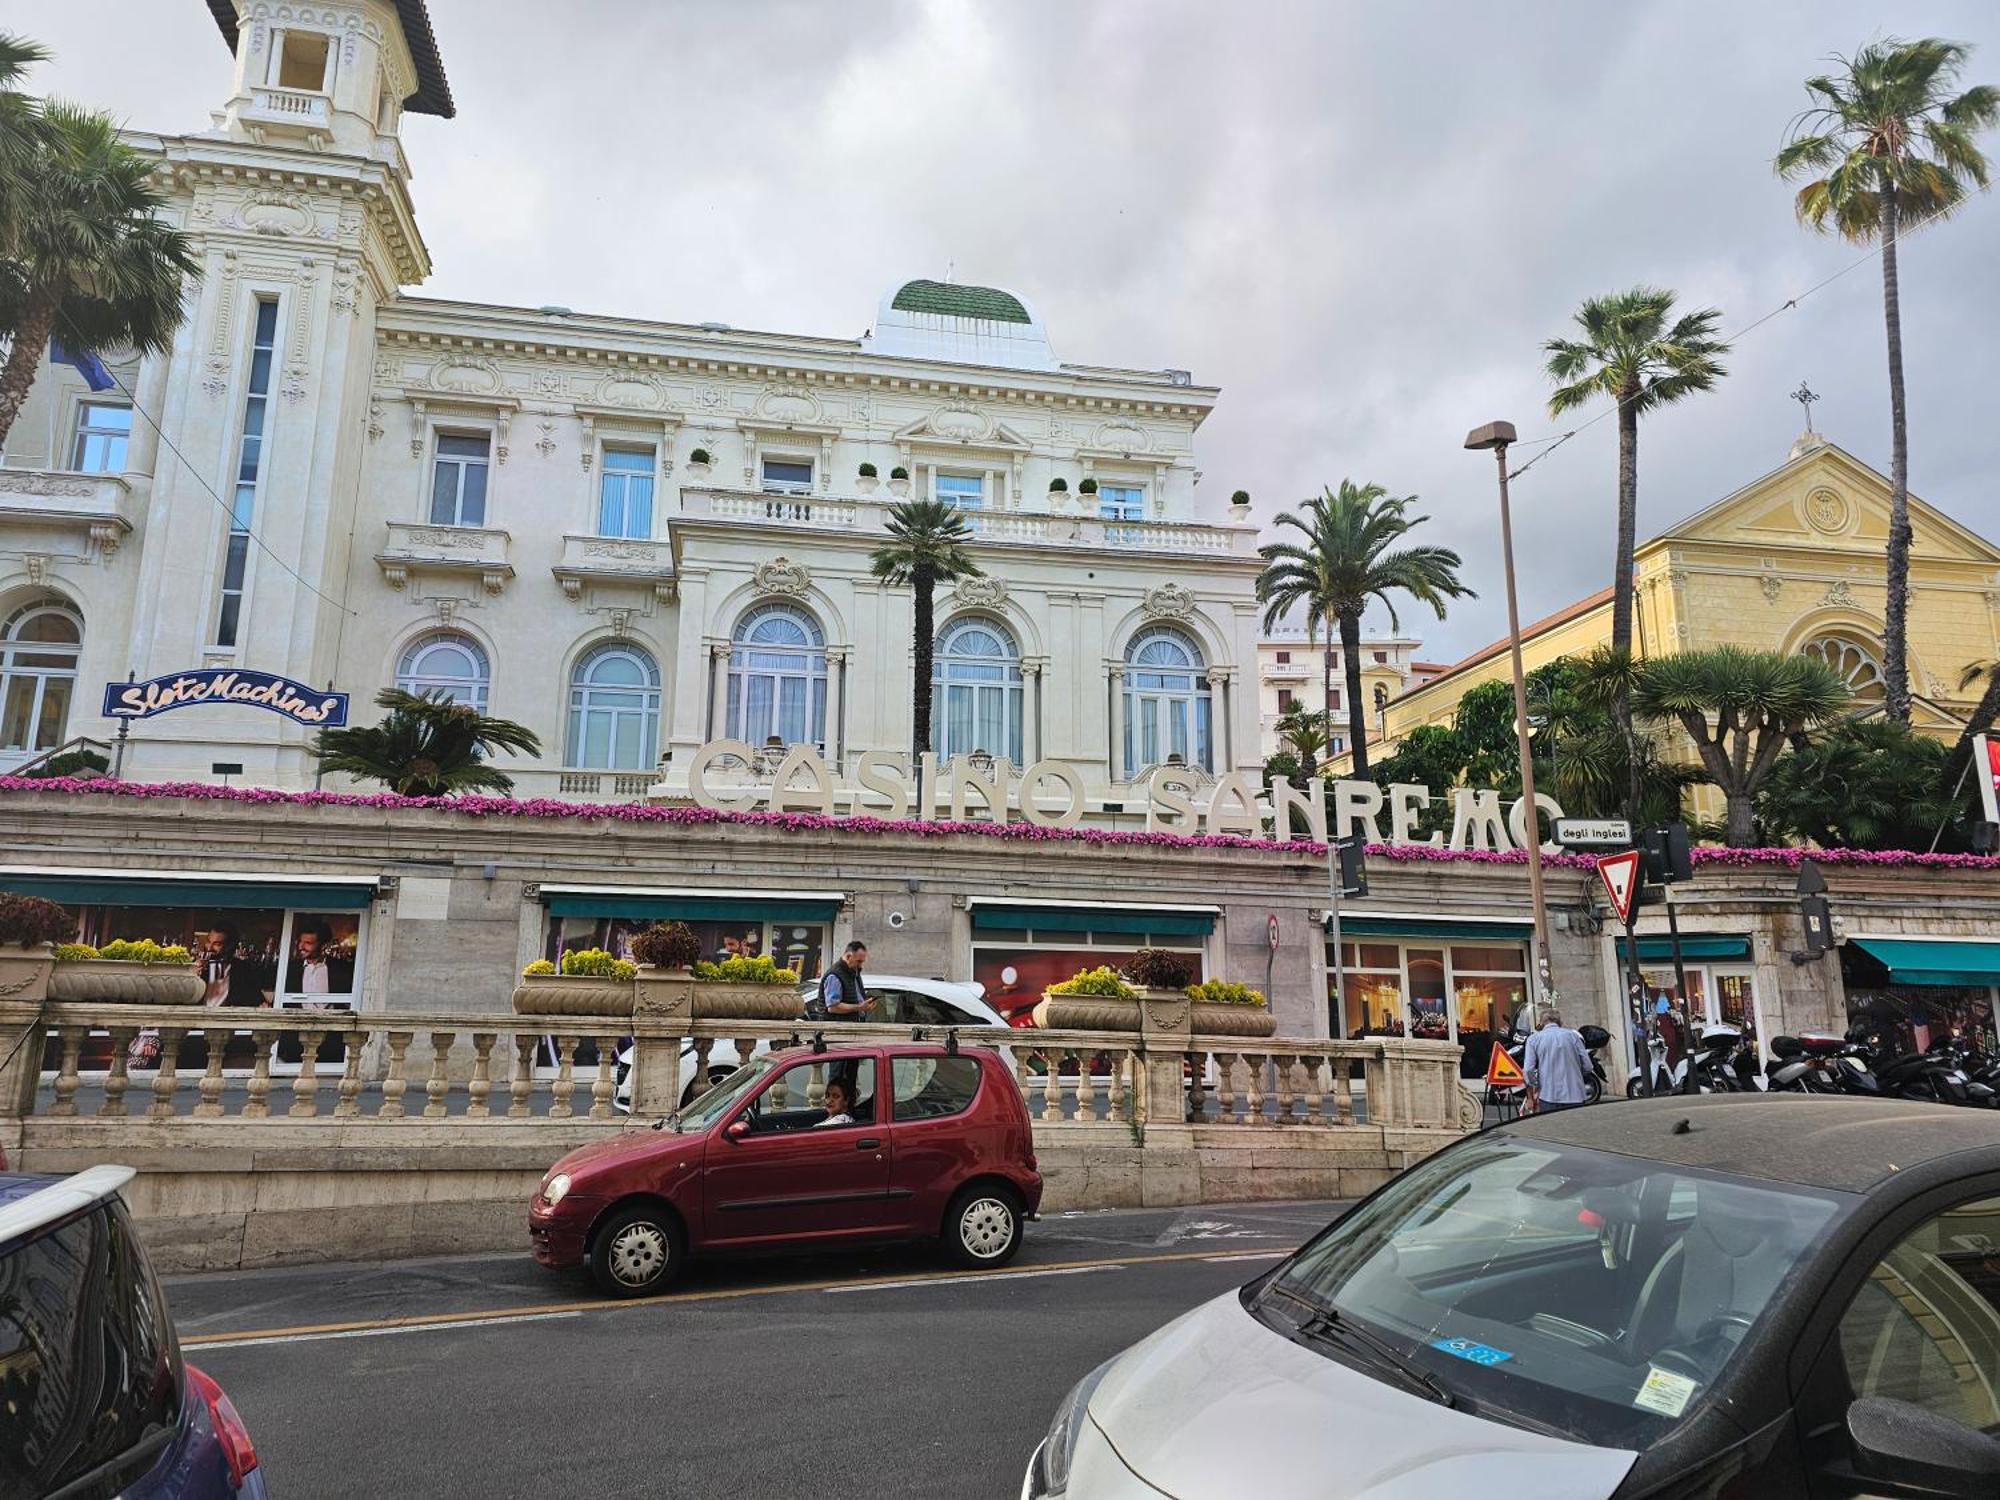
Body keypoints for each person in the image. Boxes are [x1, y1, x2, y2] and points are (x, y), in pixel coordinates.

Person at [1522, 1007, 1591, 1113]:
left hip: (1549, 1095)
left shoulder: (1534, 1039)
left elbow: (1528, 1070)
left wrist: (1536, 1084)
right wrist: (1576, 1076)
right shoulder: (1573, 1036)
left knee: (1552, 1128)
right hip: (1575, 1094)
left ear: (1541, 1022)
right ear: (1559, 1022)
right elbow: (1588, 1066)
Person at [282, 920, 354, 996]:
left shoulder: (342, 968)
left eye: (308, 943)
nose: (300, 947)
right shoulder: (289, 968)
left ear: (323, 946)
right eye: (300, 941)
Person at [819, 941, 873, 1021]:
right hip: (838, 1028)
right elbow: (833, 1007)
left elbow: (855, 997)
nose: (860, 965)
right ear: (848, 957)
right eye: (858, 961)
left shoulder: (853, 972)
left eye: (862, 961)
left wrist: (866, 1005)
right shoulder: (835, 975)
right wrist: (860, 1007)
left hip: (849, 1025)